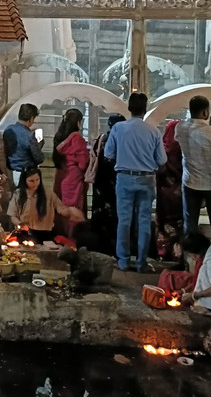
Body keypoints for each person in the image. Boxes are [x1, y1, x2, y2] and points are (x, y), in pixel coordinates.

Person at [104, 92, 166, 272]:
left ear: (129, 108)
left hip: (124, 177)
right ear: (145, 109)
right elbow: (161, 160)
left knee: (124, 220)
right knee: (144, 221)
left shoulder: (118, 128)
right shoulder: (153, 131)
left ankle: (123, 260)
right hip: (147, 179)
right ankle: (141, 262)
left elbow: (108, 154)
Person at [175, 96, 211, 244]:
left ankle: (191, 259)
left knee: (190, 225)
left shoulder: (179, 128)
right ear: (206, 113)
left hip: (190, 182)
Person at [6, 166, 84, 242]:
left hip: (45, 233)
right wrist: (20, 224)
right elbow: (13, 215)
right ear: (25, 180)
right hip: (26, 233)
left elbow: (61, 209)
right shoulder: (18, 194)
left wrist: (71, 212)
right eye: (31, 181)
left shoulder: (49, 194)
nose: (35, 183)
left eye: (37, 180)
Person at [88, 114, 124, 256]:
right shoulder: (120, 141)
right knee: (113, 214)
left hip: (99, 182)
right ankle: (111, 248)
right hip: (114, 182)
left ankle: (97, 246)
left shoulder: (101, 138)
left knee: (99, 212)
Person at [154, 120, 184, 260]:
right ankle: (178, 252)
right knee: (179, 223)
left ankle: (162, 252)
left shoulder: (162, 149)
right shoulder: (184, 148)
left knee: (163, 223)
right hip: (180, 195)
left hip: (164, 197)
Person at [52, 108, 88, 212]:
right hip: (74, 177)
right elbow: (83, 163)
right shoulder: (78, 139)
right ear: (78, 123)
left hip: (60, 175)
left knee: (61, 207)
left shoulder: (58, 137)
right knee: (74, 209)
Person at [3, 103, 42, 185]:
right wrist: (39, 144)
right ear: (31, 118)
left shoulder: (8, 129)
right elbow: (39, 158)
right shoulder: (30, 136)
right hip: (26, 174)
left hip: (10, 171)